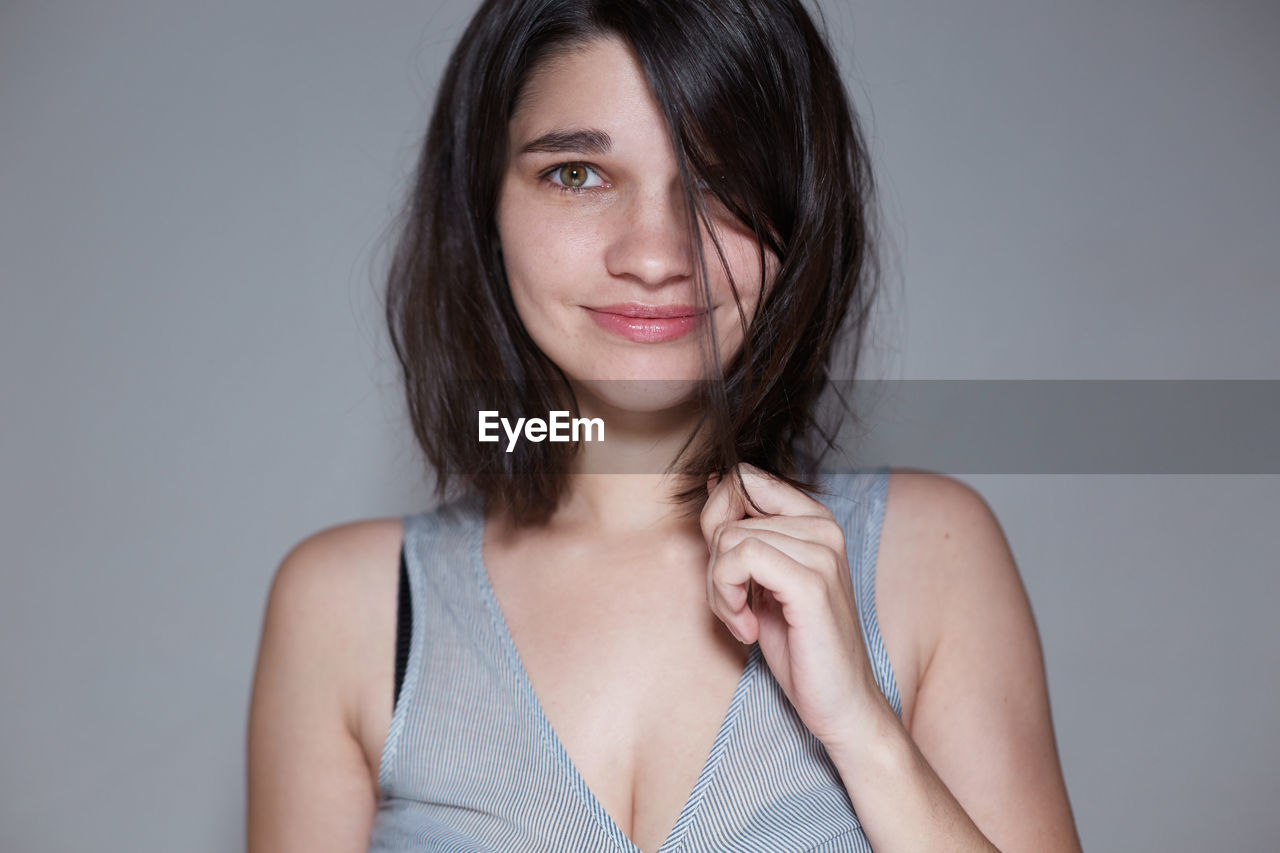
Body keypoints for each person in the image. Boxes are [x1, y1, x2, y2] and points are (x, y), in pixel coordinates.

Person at [247, 1, 1083, 850]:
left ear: (798, 218)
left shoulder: (929, 557)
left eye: (719, 181)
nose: (653, 254)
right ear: (484, 209)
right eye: (577, 173)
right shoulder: (346, 609)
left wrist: (864, 733)